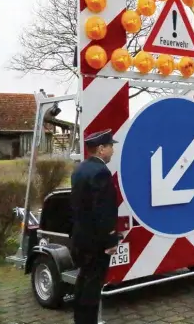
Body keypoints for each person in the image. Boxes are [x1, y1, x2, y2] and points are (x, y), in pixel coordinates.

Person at [70, 129, 119, 324]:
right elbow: (104, 212)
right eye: (110, 147)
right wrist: (110, 240)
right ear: (101, 149)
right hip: (96, 243)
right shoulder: (101, 173)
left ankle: (79, 320)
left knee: (82, 281)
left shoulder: (80, 169)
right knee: (92, 287)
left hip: (81, 238)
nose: (112, 151)